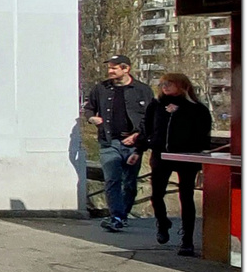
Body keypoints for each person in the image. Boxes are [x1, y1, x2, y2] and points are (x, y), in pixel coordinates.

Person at [144, 71, 216, 256]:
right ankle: (162, 221)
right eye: (162, 84)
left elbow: (202, 136)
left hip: (186, 156)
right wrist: (148, 143)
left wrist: (199, 159)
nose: (165, 87)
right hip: (161, 155)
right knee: (157, 194)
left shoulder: (196, 109)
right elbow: (148, 127)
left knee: (186, 196)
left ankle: (187, 240)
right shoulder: (157, 105)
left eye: (169, 83)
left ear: (182, 86)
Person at [85, 55, 156, 230]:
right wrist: (92, 118)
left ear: (126, 69)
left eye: (114, 68)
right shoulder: (100, 88)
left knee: (130, 182)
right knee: (112, 180)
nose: (110, 71)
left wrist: (139, 136)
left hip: (134, 144)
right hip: (109, 142)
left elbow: (151, 117)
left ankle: (122, 215)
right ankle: (116, 216)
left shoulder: (142, 90)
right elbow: (89, 108)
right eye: (109, 67)